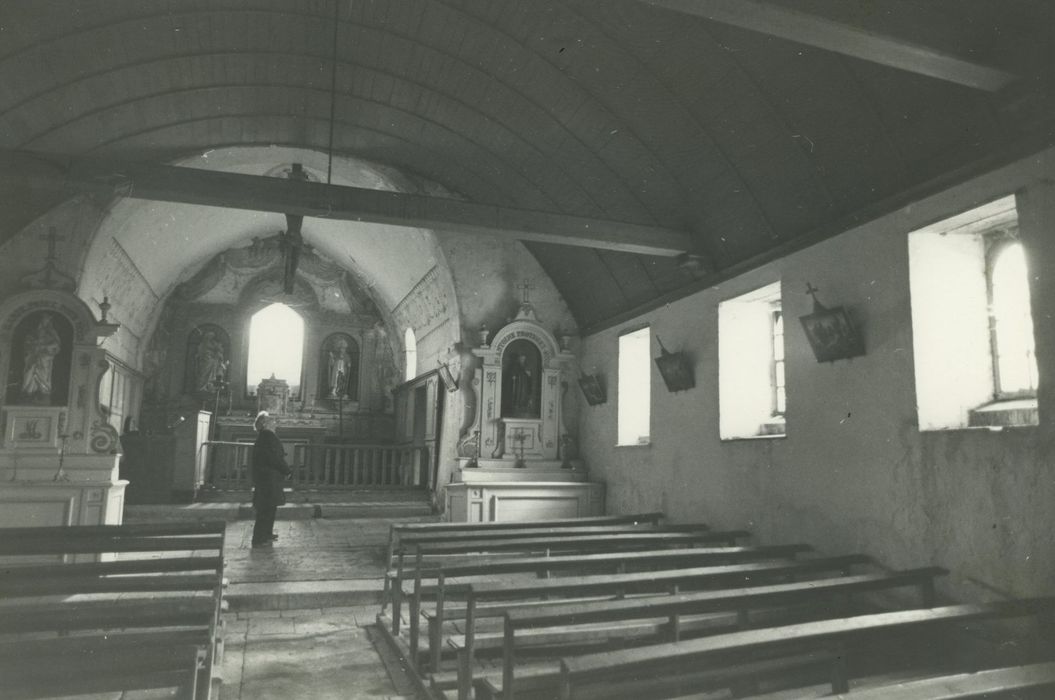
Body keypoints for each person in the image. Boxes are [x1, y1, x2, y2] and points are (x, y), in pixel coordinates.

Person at [251, 411, 290, 548]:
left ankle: (266, 533)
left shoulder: (266, 436)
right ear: (265, 424)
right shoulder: (268, 436)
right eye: (272, 420)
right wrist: (287, 470)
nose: (275, 422)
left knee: (269, 507)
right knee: (266, 508)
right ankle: (259, 538)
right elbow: (275, 458)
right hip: (269, 478)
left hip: (267, 477)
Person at [21, 313, 61, 402]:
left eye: (47, 320)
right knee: (29, 373)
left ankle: (43, 393)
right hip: (32, 358)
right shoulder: (33, 332)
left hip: (44, 359)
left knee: (43, 375)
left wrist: (45, 347)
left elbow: (56, 346)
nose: (45, 322)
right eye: (43, 320)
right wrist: (33, 346)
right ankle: (28, 392)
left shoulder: (51, 334)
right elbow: (27, 344)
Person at [502, 351, 536, 417]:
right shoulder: (515, 365)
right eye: (521, 359)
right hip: (518, 384)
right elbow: (512, 374)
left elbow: (529, 376)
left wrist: (528, 375)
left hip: (524, 385)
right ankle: (516, 406)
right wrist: (514, 376)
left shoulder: (526, 366)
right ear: (519, 359)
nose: (522, 360)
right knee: (517, 396)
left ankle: (523, 406)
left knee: (523, 395)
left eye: (523, 359)